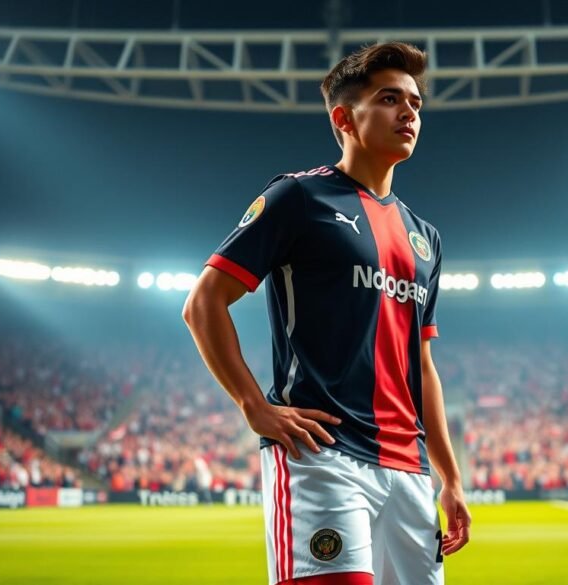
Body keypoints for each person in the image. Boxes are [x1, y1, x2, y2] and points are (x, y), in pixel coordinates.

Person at [183, 42, 470, 585]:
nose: (409, 112)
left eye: (415, 102)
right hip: (322, 455)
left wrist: (449, 477)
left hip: (408, 470)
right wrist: (254, 406)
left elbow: (422, 366)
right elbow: (203, 304)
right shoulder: (299, 198)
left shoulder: (425, 239)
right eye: (390, 99)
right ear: (344, 118)